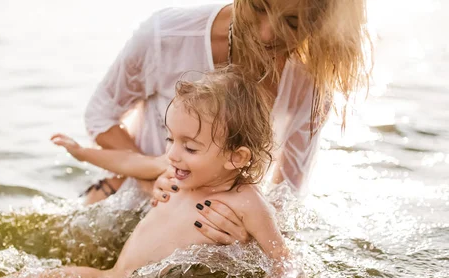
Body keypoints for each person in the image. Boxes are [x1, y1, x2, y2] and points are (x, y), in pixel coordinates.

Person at [0, 69, 298, 278]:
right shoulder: (178, 172)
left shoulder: (246, 202)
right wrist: (83, 153)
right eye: (170, 139)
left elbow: (284, 260)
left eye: (190, 146)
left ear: (237, 157)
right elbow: (130, 162)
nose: (174, 153)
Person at [79, 0, 370, 242]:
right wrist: (155, 175)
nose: (267, 34)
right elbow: (100, 116)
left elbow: (288, 194)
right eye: (258, 6)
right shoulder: (167, 34)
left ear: (323, 23)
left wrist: (248, 232)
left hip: (205, 232)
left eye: (292, 23)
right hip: (123, 206)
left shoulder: (310, 83)